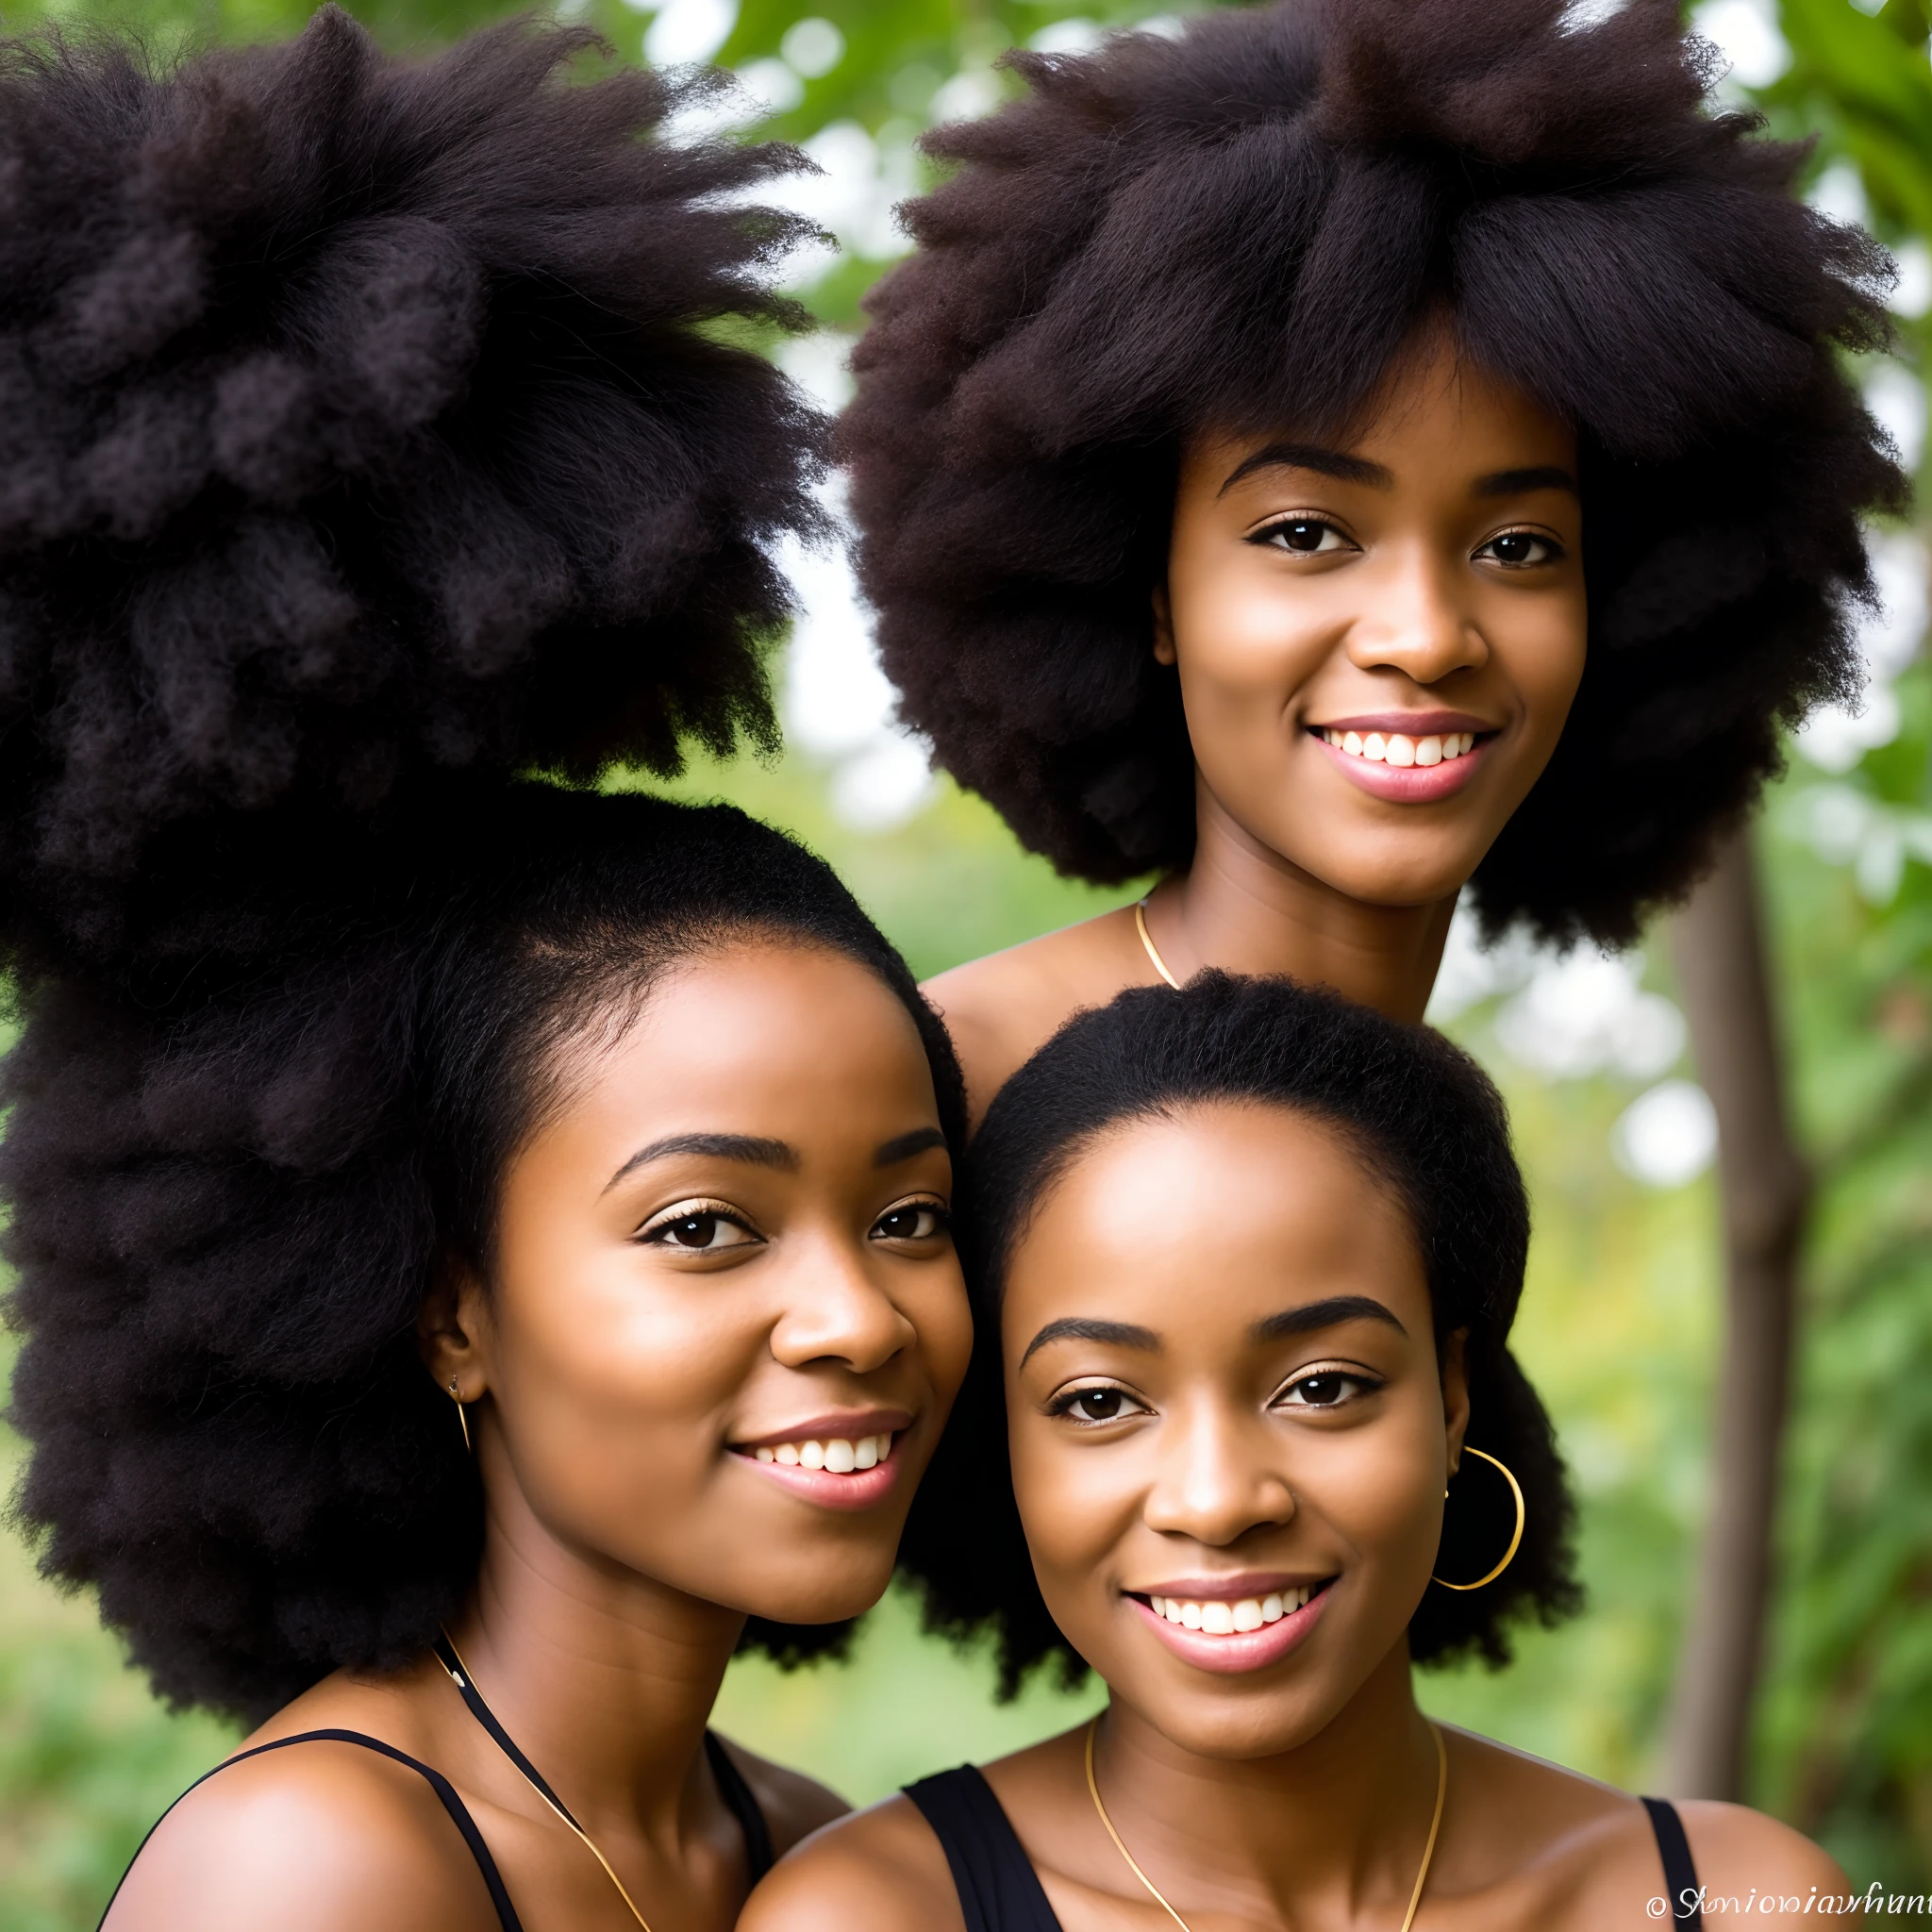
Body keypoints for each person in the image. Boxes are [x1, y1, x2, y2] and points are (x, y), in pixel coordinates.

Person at [0, 14, 973, 1928]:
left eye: (915, 1214)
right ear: (447, 1308)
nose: (857, 1316)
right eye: (707, 1226)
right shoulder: (321, 1870)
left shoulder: (807, 1847)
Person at [841, 0, 1907, 1119]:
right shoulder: (928, 1111)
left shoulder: (1434, 1142)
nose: (1426, 634)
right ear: (1146, 592)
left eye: (1516, 546)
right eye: (1304, 533)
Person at [741, 974, 1846, 1930]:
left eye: (1320, 1386)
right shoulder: (870, 1914)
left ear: (1450, 1394)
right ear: (1008, 1445)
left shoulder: (1744, 1900)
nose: (1218, 1500)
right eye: (1095, 1400)